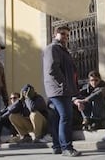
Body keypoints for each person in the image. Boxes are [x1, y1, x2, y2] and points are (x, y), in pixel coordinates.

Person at [43, 26, 81, 157]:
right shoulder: (53, 48)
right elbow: (52, 69)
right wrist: (64, 84)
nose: (65, 37)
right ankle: (66, 148)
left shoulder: (63, 50)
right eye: (62, 34)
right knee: (66, 117)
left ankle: (57, 146)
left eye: (67, 35)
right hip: (59, 90)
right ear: (55, 35)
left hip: (63, 89)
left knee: (58, 118)